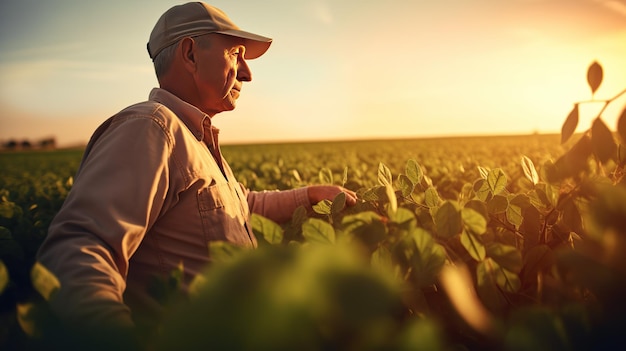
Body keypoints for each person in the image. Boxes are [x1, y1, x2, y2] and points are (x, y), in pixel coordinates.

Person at [36, 2, 357, 347]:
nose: (247, 73)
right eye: (236, 54)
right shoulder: (151, 128)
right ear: (190, 54)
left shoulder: (194, 139)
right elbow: (80, 247)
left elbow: (237, 207)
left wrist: (309, 196)